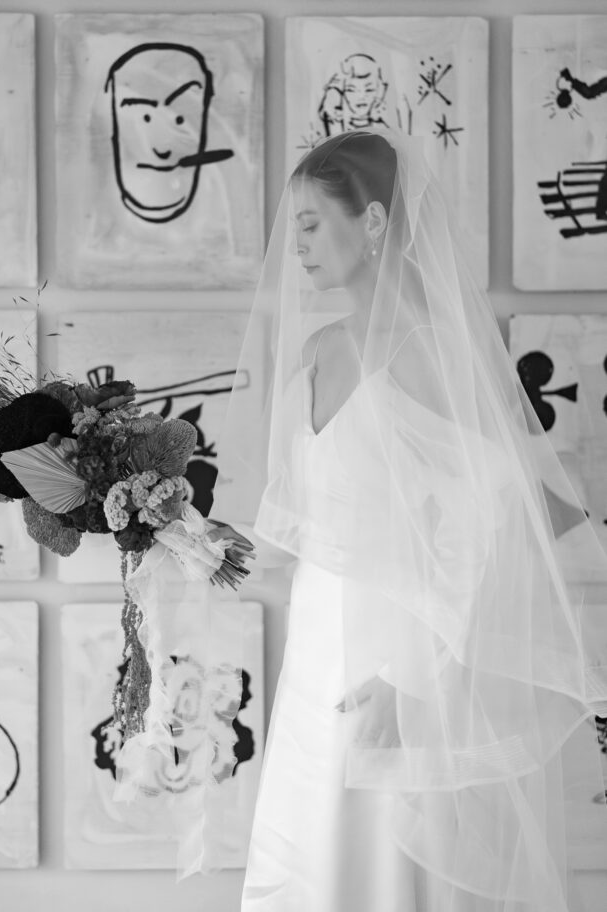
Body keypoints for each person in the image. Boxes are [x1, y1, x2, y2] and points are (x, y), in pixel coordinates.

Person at [208, 127, 607, 910]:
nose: (297, 249)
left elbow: (487, 520)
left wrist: (410, 678)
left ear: (376, 223)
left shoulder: (426, 350)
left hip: (395, 651)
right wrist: (167, 533)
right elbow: (300, 526)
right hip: (319, 642)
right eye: (293, 231)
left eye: (312, 225)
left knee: (385, 865)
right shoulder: (321, 349)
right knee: (311, 849)